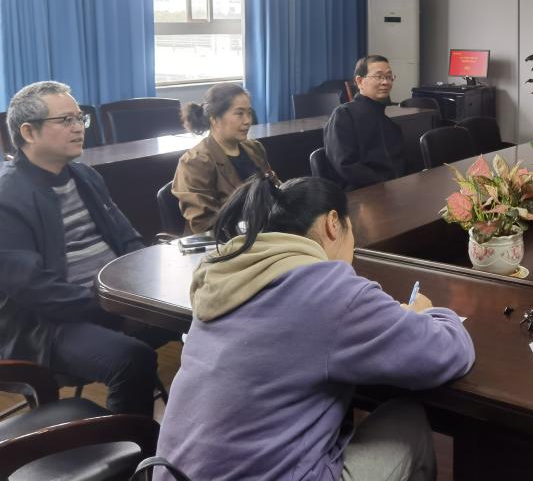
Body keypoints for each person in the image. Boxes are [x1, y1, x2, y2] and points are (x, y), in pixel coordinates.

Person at [155, 174, 475, 481]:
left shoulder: (225, 275)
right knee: (408, 419)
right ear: (333, 223)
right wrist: (428, 313)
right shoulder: (327, 288)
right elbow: (449, 352)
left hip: (172, 472)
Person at [0, 81, 164, 415]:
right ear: (28, 132)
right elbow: (33, 289)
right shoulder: (7, 195)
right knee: (132, 359)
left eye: (80, 118)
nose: (78, 128)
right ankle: (130, 442)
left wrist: (144, 290)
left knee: (203, 319)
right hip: (44, 324)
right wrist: (109, 306)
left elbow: (128, 239)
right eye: (66, 120)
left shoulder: (85, 176)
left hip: (113, 300)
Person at [172, 83, 276, 234]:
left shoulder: (255, 148)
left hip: (265, 231)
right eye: (239, 114)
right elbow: (205, 223)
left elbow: (275, 189)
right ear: (214, 119)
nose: (247, 121)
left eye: (249, 113)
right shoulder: (195, 162)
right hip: (226, 241)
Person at [324, 55, 406, 191]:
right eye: (379, 76)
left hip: (393, 191)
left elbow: (400, 163)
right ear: (360, 81)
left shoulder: (390, 124)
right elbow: (346, 165)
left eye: (389, 77)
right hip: (361, 194)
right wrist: (385, 186)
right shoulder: (344, 115)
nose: (385, 82)